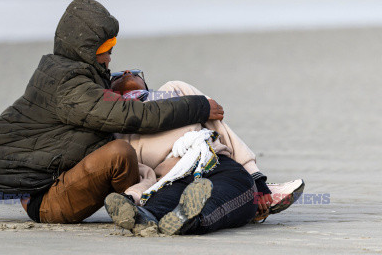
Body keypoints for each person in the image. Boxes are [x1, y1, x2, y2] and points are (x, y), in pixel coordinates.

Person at [0, 0, 225, 224]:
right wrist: (198, 106)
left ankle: (168, 195)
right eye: (106, 51)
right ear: (85, 51)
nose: (109, 58)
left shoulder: (65, 72)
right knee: (119, 154)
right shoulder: (68, 84)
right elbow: (134, 116)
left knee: (132, 153)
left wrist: (108, 86)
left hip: (58, 182)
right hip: (46, 200)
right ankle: (148, 209)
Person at [104, 70, 304, 235]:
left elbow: (220, 127)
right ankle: (144, 217)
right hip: (167, 177)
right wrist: (133, 196)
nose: (128, 73)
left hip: (212, 161)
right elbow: (138, 169)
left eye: (135, 72)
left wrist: (257, 179)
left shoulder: (173, 89)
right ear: (109, 89)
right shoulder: (115, 123)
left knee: (241, 188)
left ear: (146, 84)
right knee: (159, 204)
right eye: (118, 75)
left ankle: (188, 218)